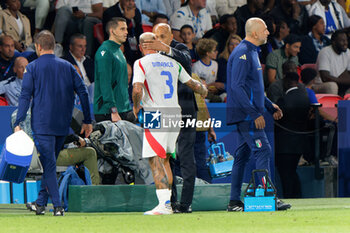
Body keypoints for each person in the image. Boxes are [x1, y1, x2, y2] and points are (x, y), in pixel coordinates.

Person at [13, 30, 92, 216]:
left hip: (42, 125)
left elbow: (25, 97)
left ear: (38, 47)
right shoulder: (68, 66)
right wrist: (87, 120)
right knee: (50, 163)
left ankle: (57, 206)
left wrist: (18, 121)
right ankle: (40, 203)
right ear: (53, 45)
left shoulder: (32, 68)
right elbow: (84, 92)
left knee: (48, 164)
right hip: (62, 125)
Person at [132, 32, 207, 215]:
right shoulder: (173, 63)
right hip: (176, 113)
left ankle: (164, 205)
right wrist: (204, 89)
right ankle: (168, 204)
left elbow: (137, 88)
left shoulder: (141, 62)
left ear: (142, 47)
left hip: (155, 113)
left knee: (155, 159)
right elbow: (193, 84)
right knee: (165, 159)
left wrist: (136, 105)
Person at [226, 17, 291, 211]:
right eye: (264, 30)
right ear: (254, 33)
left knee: (242, 155)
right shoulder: (243, 53)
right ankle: (265, 197)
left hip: (248, 113)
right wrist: (254, 114)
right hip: (247, 115)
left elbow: (252, 88)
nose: (268, 33)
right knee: (263, 150)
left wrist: (270, 106)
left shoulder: (253, 52)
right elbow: (236, 88)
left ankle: (234, 201)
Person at [275, 71, 310, 198]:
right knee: (292, 172)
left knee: (286, 174)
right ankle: (298, 196)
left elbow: (276, 119)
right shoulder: (305, 98)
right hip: (299, 143)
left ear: (287, 82)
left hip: (284, 144)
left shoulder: (283, 100)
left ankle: (290, 197)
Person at [94, 17, 136, 123]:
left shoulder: (118, 51)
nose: (126, 32)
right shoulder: (105, 51)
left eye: (126, 29)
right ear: (112, 31)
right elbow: (105, 83)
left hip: (124, 109)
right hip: (108, 112)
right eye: (122, 29)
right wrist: (113, 110)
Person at [102, 0, 143, 64]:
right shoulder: (110, 13)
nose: (130, 3)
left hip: (135, 47)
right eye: (128, 0)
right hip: (121, 47)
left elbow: (140, 32)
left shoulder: (136, 11)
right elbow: (114, 35)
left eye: (133, 0)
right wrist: (127, 19)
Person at [315, 29, 350, 96]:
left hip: (340, 84)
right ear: (334, 42)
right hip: (321, 85)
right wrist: (342, 81)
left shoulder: (348, 52)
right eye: (342, 41)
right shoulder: (325, 52)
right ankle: (332, 106)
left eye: (346, 40)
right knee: (332, 86)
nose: (346, 43)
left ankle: (345, 106)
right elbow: (325, 77)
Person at [62, 33, 94, 103]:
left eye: (85, 46)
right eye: (80, 46)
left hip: (91, 91)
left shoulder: (89, 61)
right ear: (71, 47)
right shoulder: (64, 62)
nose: (83, 49)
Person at [192, 38, 222, 102]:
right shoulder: (196, 66)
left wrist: (215, 89)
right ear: (208, 53)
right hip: (201, 95)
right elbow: (194, 85)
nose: (217, 52)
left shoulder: (215, 64)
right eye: (214, 51)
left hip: (212, 93)